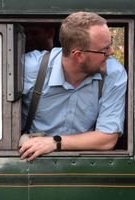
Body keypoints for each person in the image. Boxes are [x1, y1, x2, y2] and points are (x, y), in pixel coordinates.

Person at [19, 12, 128, 161]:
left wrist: (55, 142)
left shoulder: (113, 74)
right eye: (105, 49)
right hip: (30, 160)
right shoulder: (29, 69)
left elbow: (107, 138)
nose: (112, 52)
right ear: (78, 55)